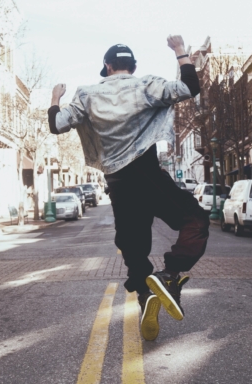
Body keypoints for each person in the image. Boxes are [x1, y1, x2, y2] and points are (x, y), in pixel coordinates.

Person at [47, 35, 209, 341]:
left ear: (107, 67)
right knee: (195, 220)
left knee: (135, 252)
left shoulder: (87, 94)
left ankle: (147, 296)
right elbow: (190, 86)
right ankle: (170, 274)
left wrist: (56, 98)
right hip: (148, 174)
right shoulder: (146, 85)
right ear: (132, 67)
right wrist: (179, 51)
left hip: (118, 185)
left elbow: (57, 125)